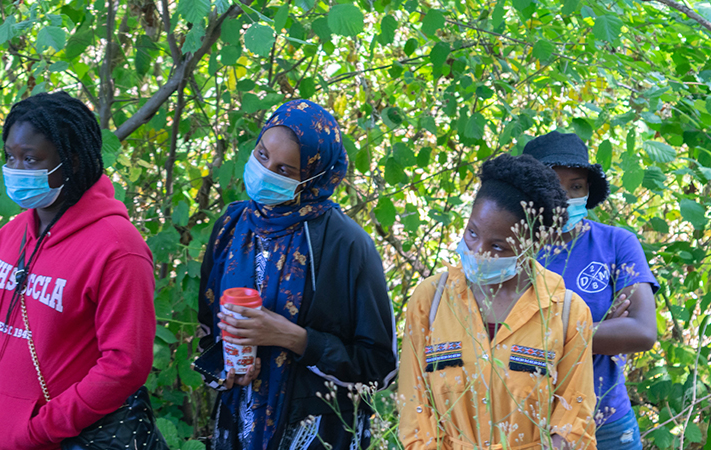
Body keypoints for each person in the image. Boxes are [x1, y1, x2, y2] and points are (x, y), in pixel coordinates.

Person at [197, 99, 397, 450]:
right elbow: (208, 328)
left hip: (316, 433)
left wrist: (294, 338)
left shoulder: (347, 244)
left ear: (315, 176)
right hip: (236, 424)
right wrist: (227, 369)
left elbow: (379, 367)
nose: (266, 171)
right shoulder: (232, 225)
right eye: (261, 155)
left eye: (285, 170)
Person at [0, 91, 156, 449]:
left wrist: (40, 429)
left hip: (62, 440)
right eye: (10, 156)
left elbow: (125, 363)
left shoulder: (118, 248)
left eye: (31, 159)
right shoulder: (8, 238)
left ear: (70, 160)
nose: (16, 170)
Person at [398, 154, 598, 450]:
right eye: (472, 233)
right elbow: (414, 410)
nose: (477, 252)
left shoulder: (566, 312)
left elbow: (574, 421)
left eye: (497, 246)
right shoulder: (431, 299)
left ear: (534, 243)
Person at [524, 131, 659, 450]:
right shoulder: (512, 251)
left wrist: (542, 337)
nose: (566, 196)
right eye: (554, 186)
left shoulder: (617, 243)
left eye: (576, 186)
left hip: (607, 420)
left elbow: (642, 331)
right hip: (531, 422)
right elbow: (497, 338)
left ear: (587, 190)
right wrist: (600, 331)